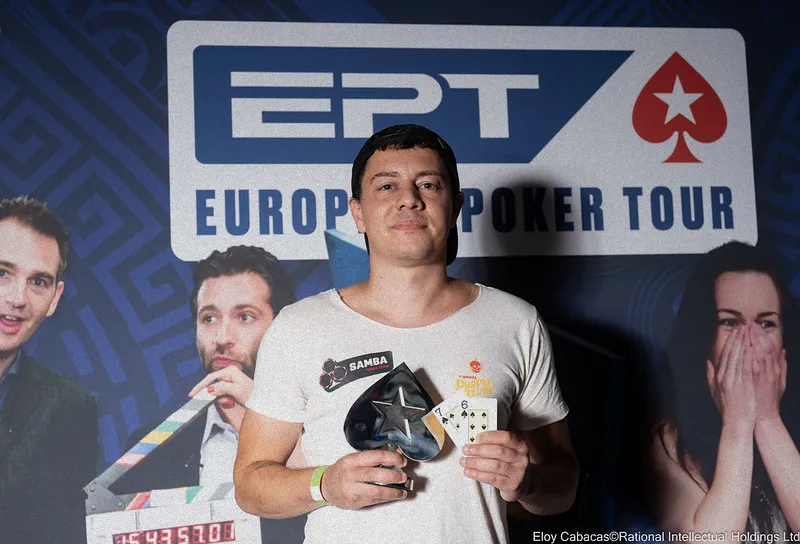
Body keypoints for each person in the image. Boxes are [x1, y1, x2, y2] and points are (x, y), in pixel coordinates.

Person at [234, 124, 579, 544]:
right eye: (386, 186)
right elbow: (250, 486)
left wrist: (528, 484)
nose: (409, 199)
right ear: (358, 212)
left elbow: (562, 489)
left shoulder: (515, 321)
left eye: (428, 184)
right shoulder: (299, 327)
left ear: (455, 206)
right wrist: (326, 485)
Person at [116, 245, 305, 542]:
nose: (222, 338)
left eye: (245, 317)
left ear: (282, 328)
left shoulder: (324, 432)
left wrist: (261, 410)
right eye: (209, 318)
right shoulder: (152, 448)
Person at [653, 241, 800, 537]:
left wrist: (767, 420)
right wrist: (738, 424)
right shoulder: (668, 442)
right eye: (730, 322)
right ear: (703, 337)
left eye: (766, 324)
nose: (750, 340)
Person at [0, 196, 99, 543]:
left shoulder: (71, 408)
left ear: (55, 298)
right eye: (2, 273)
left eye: (38, 282)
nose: (18, 298)